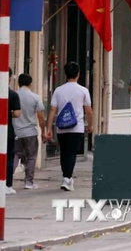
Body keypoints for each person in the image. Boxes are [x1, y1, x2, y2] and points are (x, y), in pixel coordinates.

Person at [46, 62, 93, 192]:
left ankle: (66, 177)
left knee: (64, 153)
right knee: (72, 153)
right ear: (78, 74)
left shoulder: (58, 90)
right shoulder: (83, 90)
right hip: (76, 127)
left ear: (66, 74)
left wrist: (49, 128)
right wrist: (90, 125)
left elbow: (52, 110)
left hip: (61, 127)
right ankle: (67, 178)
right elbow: (89, 110)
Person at [12, 74, 45, 190]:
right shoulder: (35, 97)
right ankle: (29, 182)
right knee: (31, 157)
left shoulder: (13, 95)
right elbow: (40, 116)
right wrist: (43, 132)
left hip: (15, 132)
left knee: (15, 155)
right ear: (30, 84)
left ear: (18, 83)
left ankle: (6, 180)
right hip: (30, 132)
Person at [6, 68, 20, 195]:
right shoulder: (13, 95)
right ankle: (7, 184)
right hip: (7, 131)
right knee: (9, 158)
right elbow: (17, 113)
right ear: (10, 78)